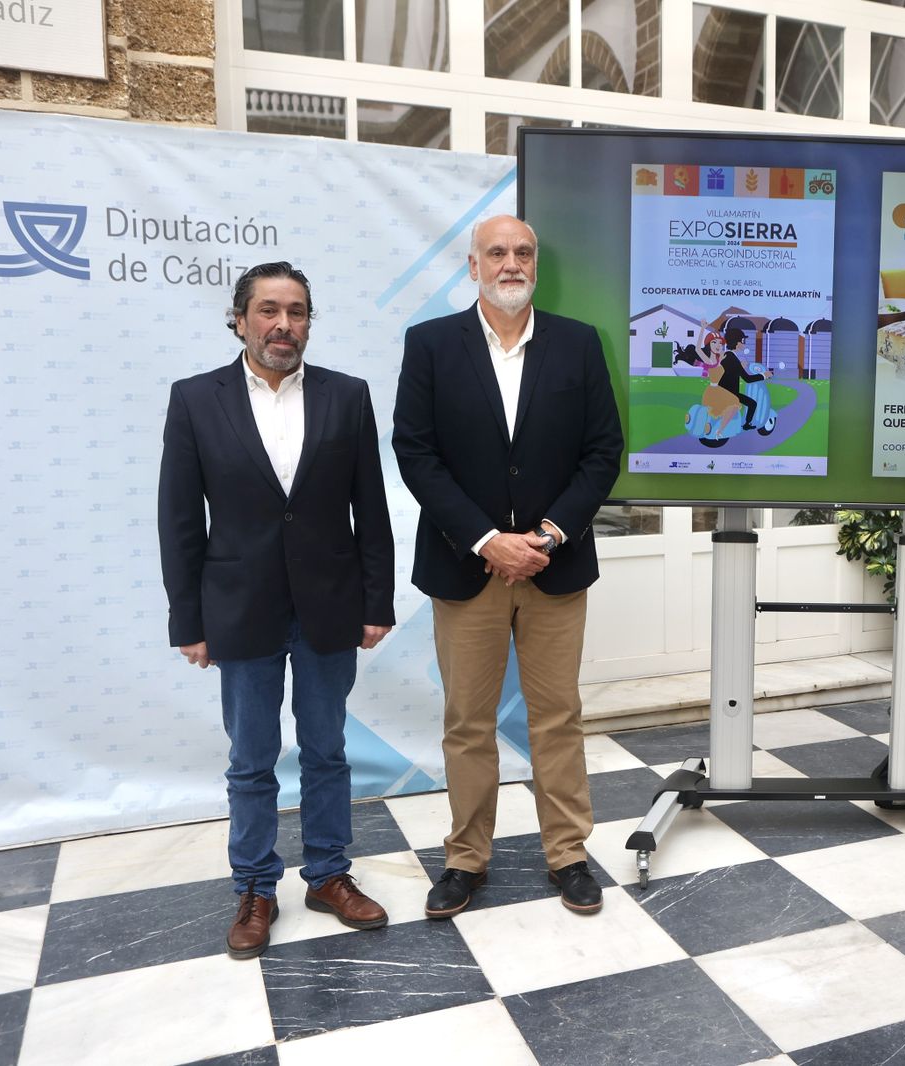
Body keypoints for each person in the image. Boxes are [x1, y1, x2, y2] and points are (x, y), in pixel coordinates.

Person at [158, 261, 396, 960]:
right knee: (251, 758)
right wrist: (188, 620)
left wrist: (375, 601)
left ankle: (328, 874)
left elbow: (372, 511)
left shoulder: (346, 397)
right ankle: (256, 887)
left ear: (309, 323)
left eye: (296, 312)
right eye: (268, 310)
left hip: (329, 604)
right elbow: (179, 519)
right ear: (240, 319)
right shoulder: (196, 399)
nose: (282, 324)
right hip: (239, 610)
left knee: (327, 751)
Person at [393, 215, 622, 918]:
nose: (511, 263)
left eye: (523, 252)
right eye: (498, 252)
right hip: (470, 570)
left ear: (535, 265)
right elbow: (416, 453)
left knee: (558, 718)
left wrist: (547, 535)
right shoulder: (430, 345)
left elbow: (602, 451)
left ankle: (568, 855)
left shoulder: (579, 345)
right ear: (473, 266)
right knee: (468, 721)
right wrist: (487, 538)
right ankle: (465, 859)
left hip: (555, 567)